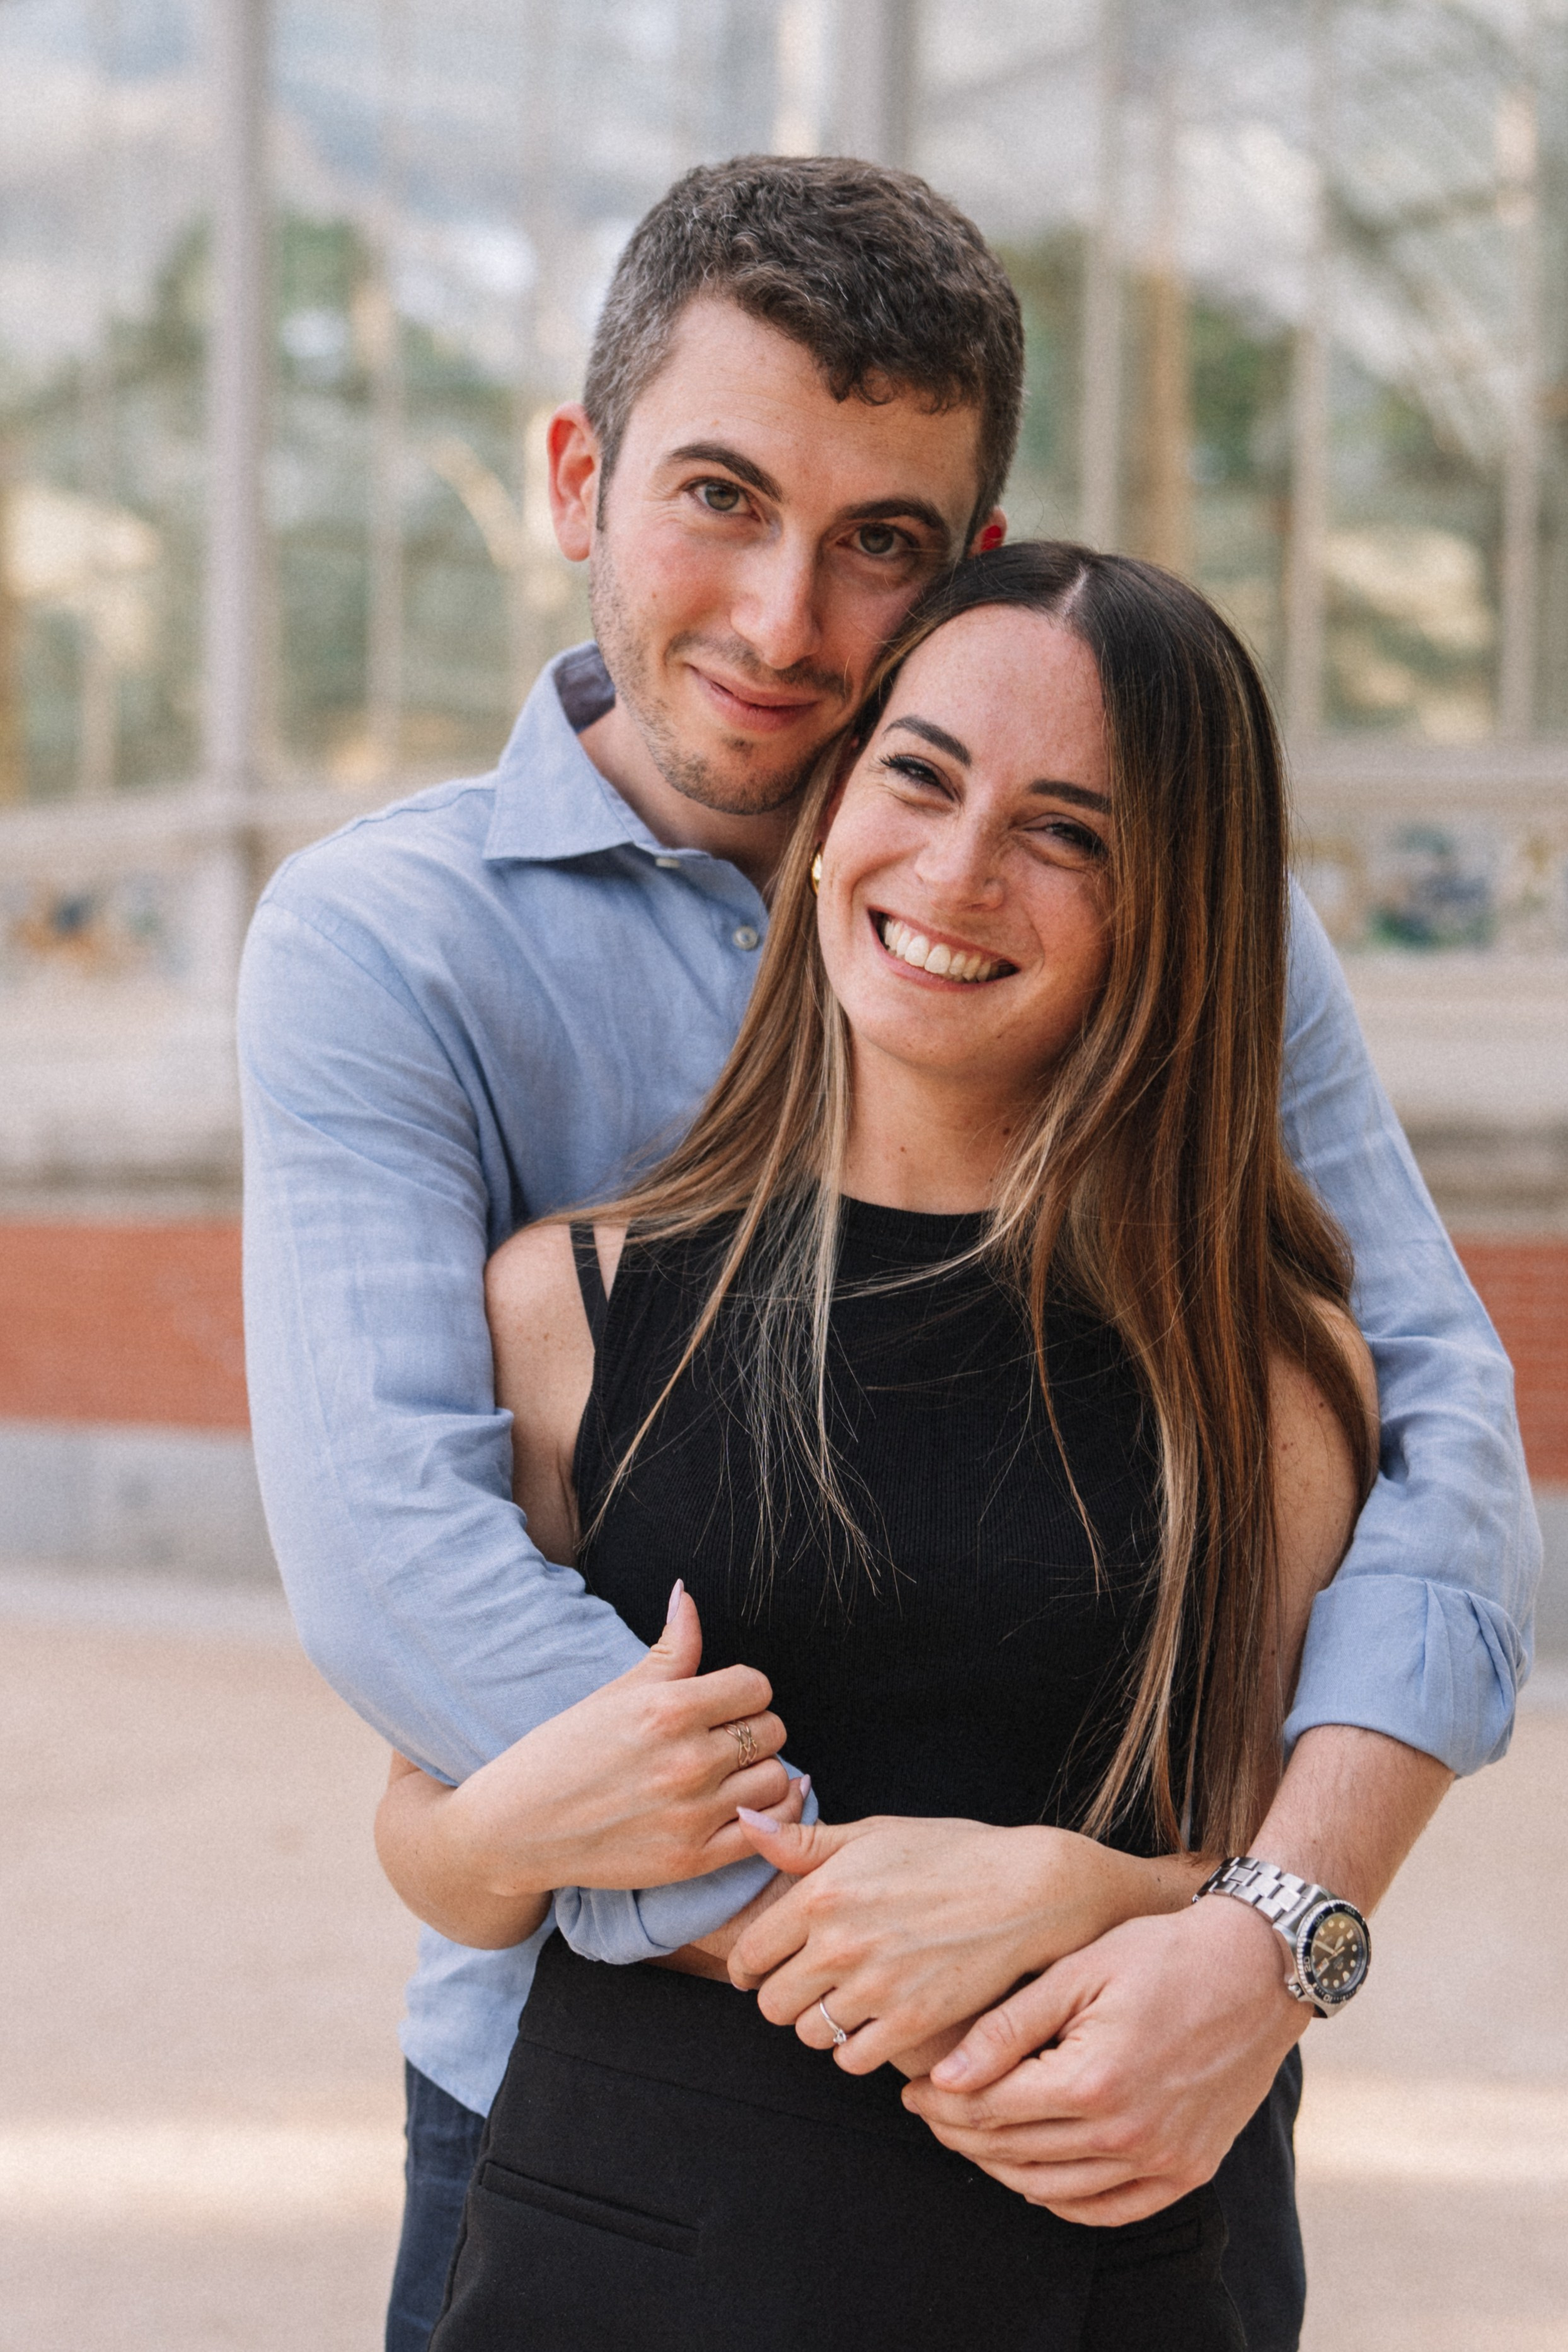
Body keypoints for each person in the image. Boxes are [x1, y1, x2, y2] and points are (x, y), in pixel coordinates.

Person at [236, 157, 1539, 2352]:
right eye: (720, 498)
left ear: (972, 568)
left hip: (1128, 2097)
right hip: (591, 2118)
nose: (782, 623)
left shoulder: (1180, 922)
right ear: (578, 475)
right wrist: (896, 1940)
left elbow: (1441, 1437)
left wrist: (1252, 1937)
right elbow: (398, 1568)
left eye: (882, 549)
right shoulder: (394, 944)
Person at [375, 540, 1381, 2350]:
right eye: (919, 774)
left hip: (1091, 2267)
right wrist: (529, 1812)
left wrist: (1080, 1887)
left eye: (1068, 831)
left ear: (1177, 910)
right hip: (620, 2259)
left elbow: (1255, 1869)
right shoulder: (566, 1308)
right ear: (831, 808)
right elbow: (439, 1858)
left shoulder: (1270, 1373)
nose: (959, 869)